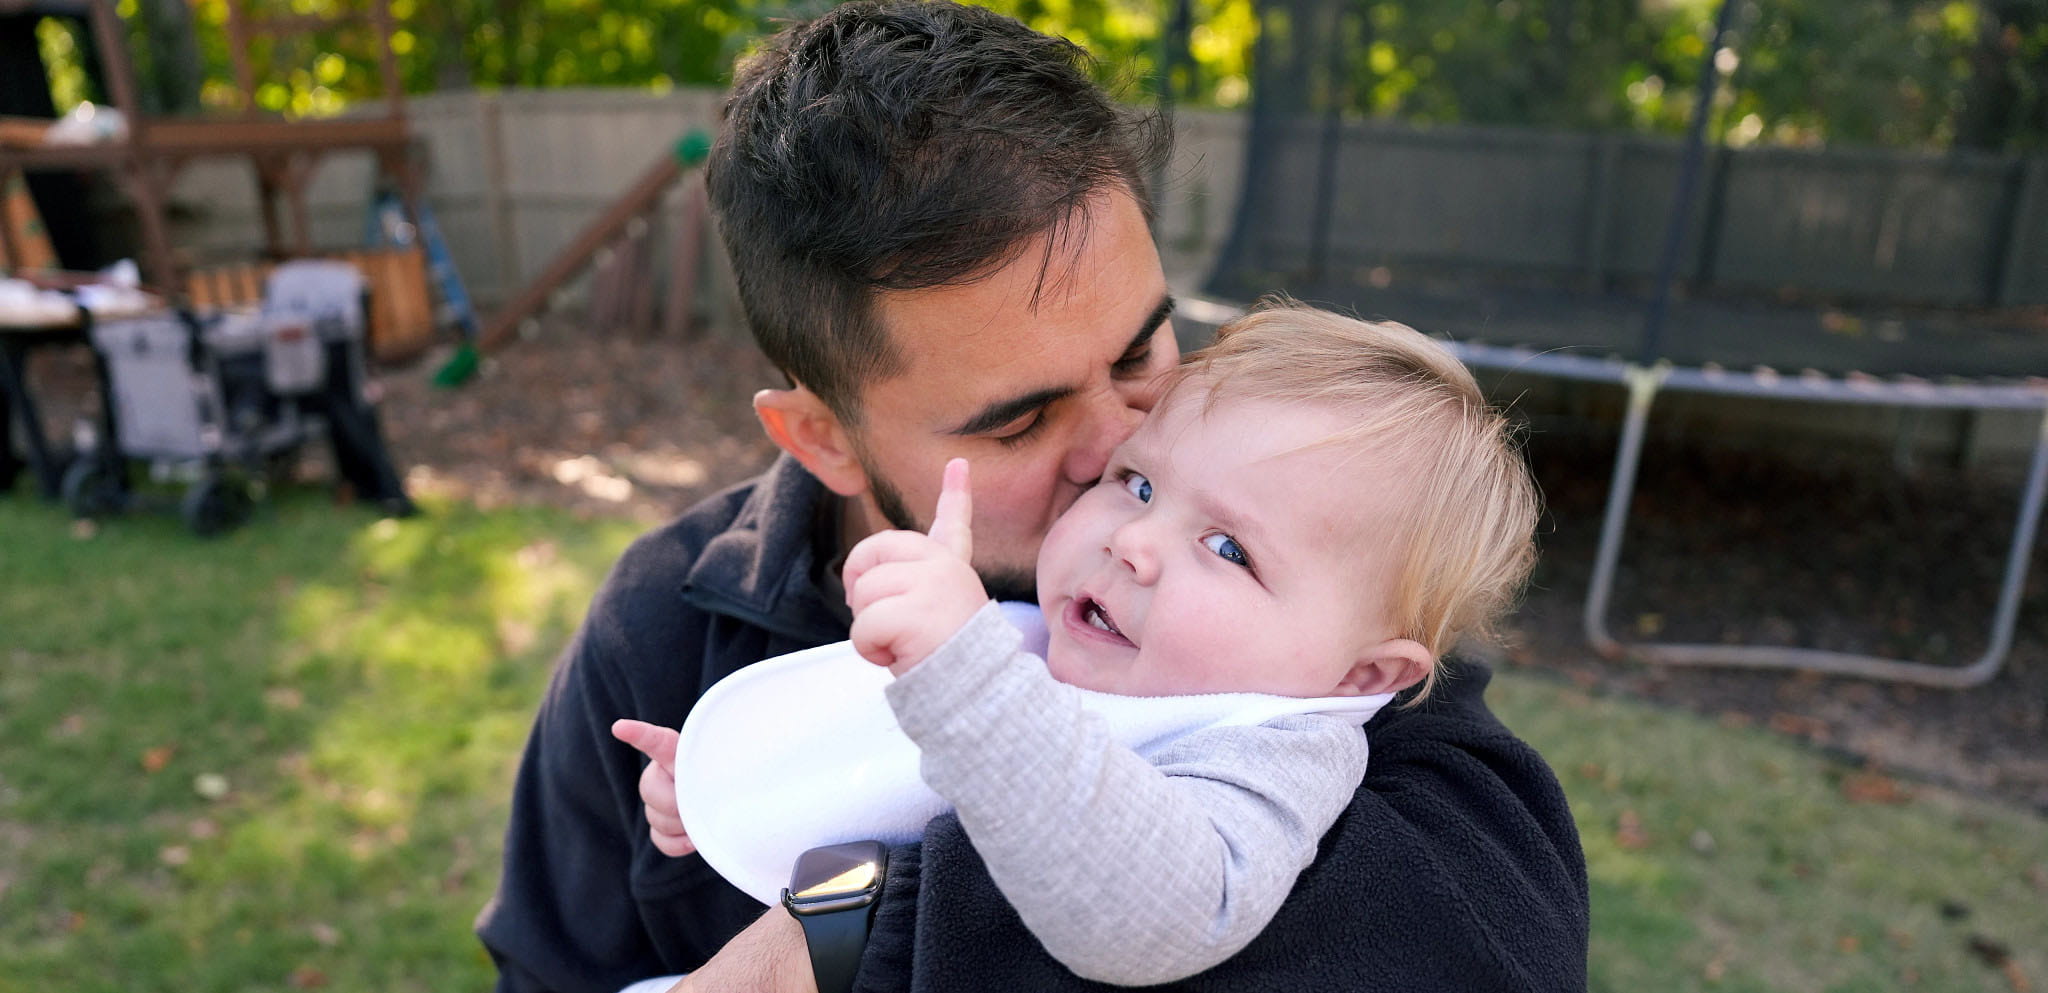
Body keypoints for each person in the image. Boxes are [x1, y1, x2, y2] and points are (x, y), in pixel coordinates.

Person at [475, 2, 1589, 991]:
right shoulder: (666, 626)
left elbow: (1480, 952)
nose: (1122, 449)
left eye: (1144, 351)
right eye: (1018, 421)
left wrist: (838, 938)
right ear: (824, 440)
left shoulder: (1313, 624)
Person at [658, 304, 1543, 987]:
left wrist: (965, 674)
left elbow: (1156, 909)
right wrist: (728, 780)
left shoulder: (1274, 750)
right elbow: (900, 782)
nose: (1135, 540)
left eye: (1230, 549)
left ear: (1364, 674)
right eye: (1140, 481)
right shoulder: (1065, 640)